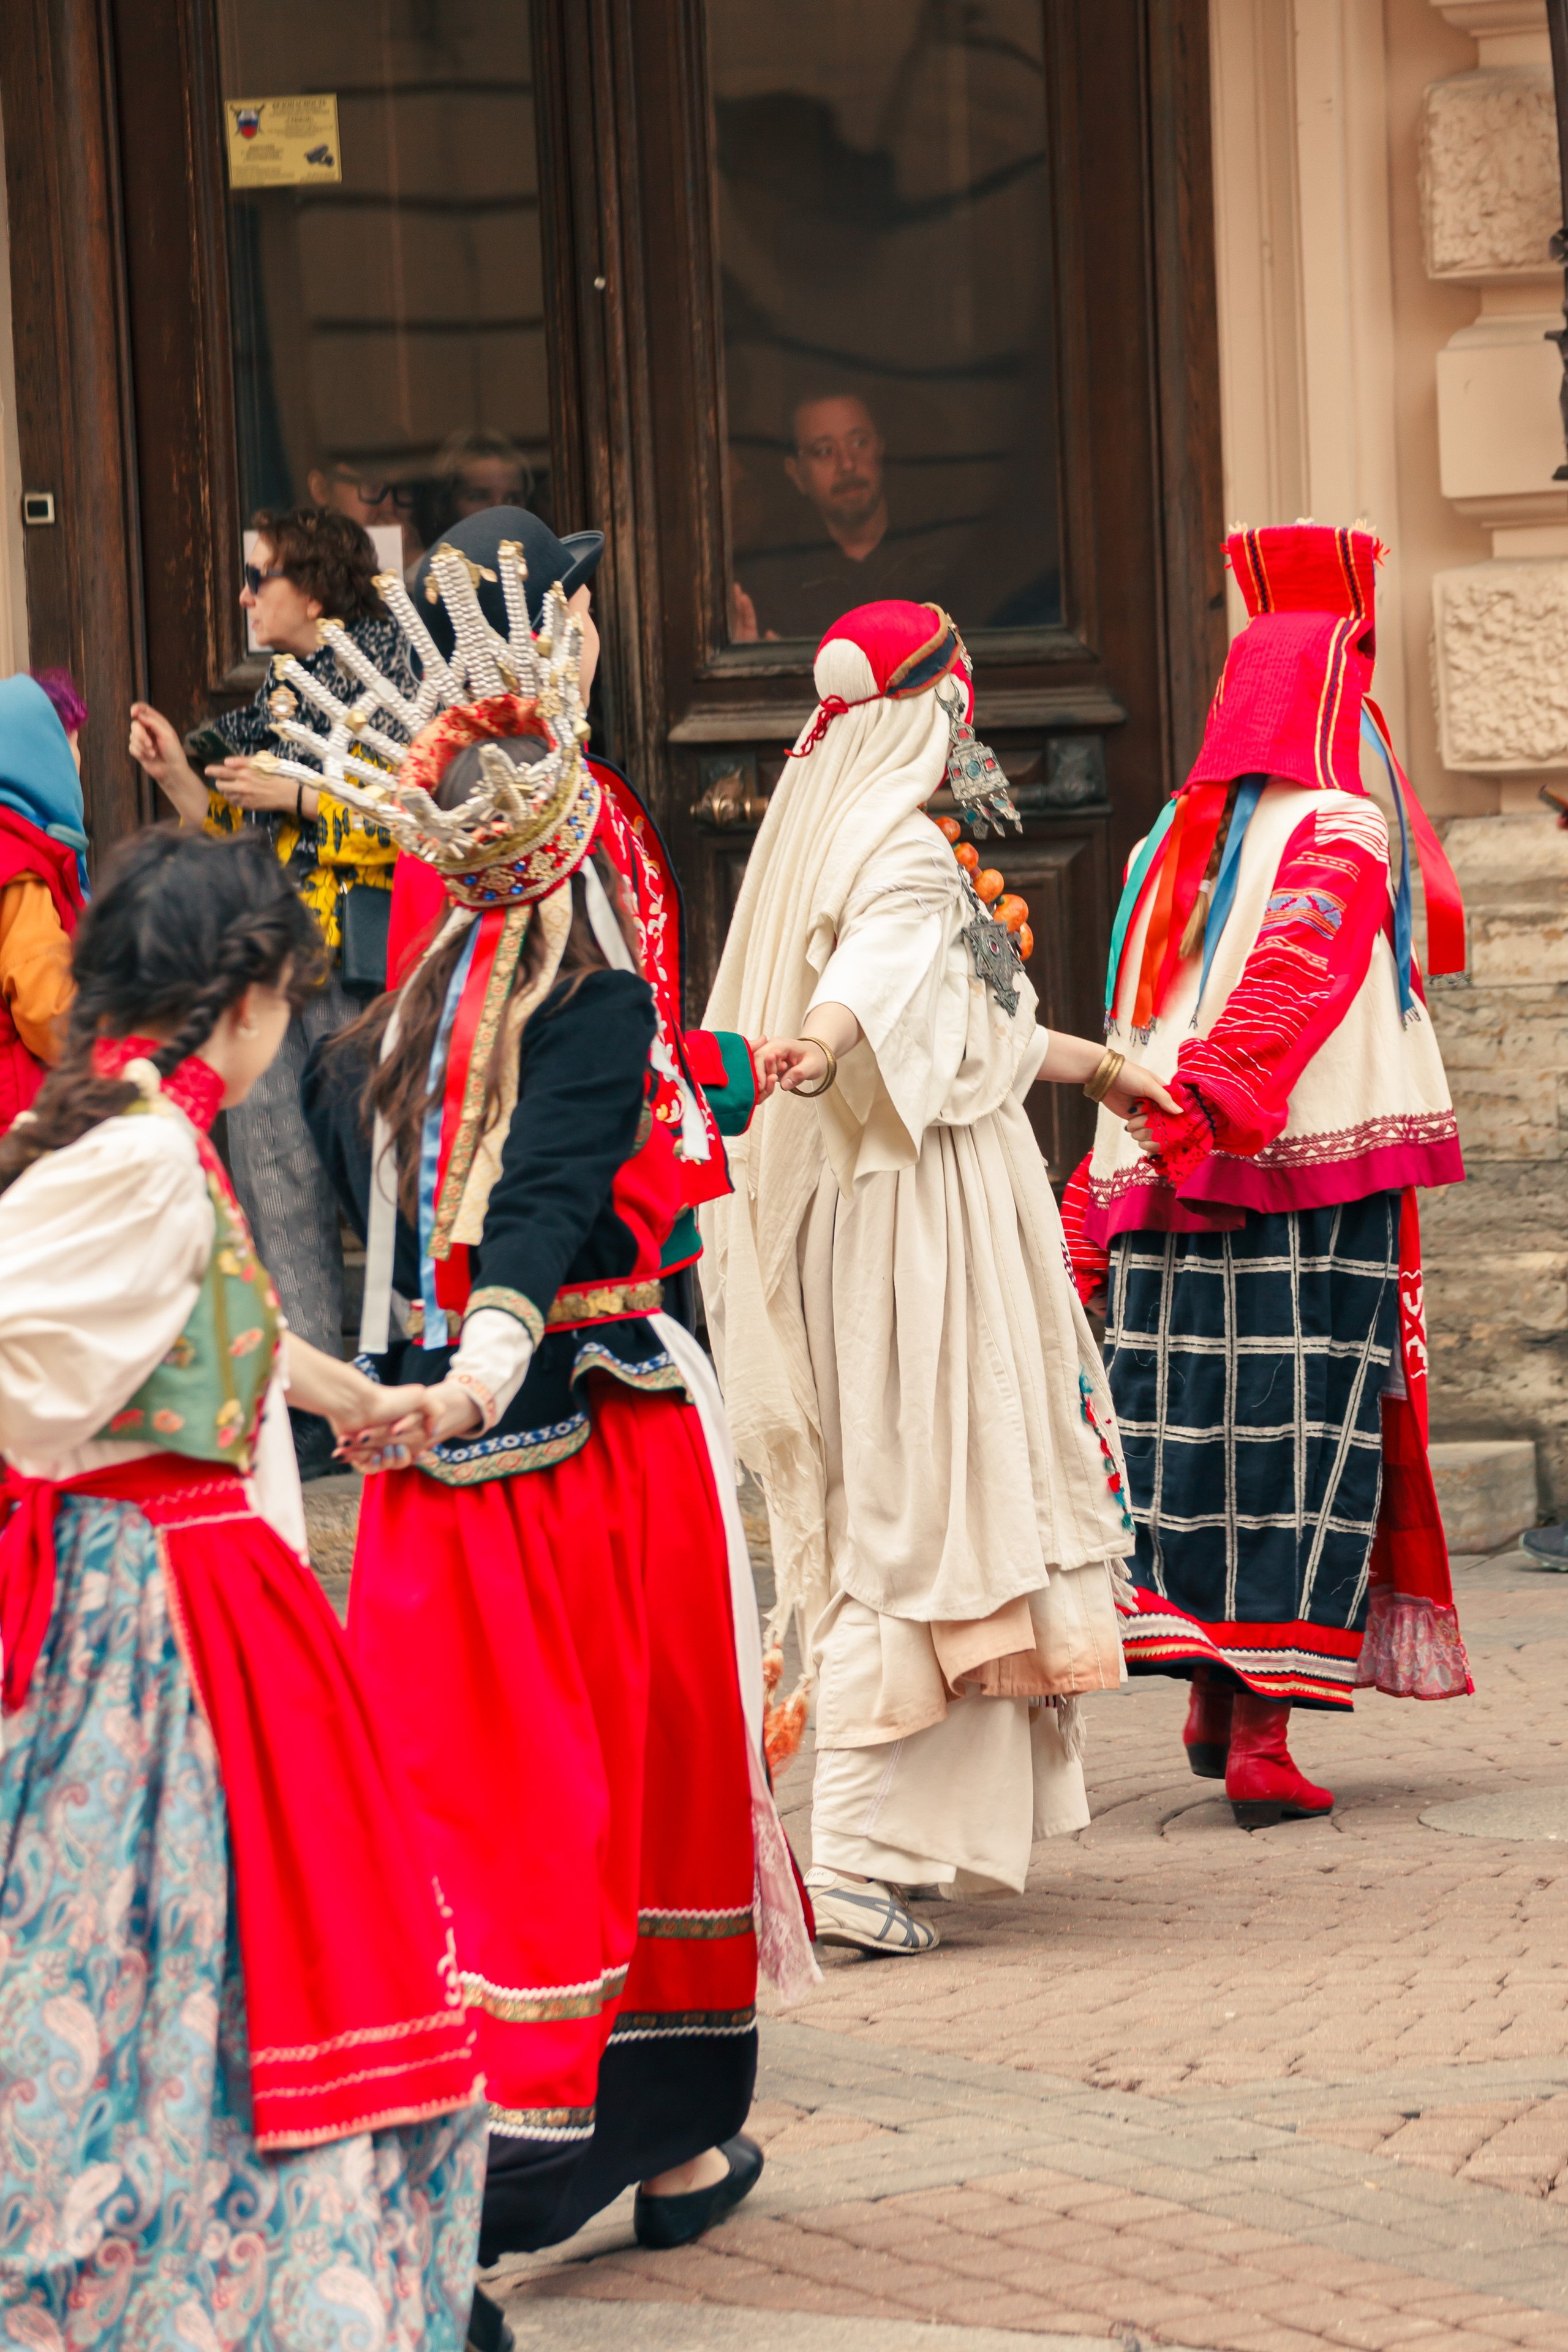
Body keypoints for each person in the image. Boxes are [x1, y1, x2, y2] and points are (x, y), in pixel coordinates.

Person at [280, 537, 814, 2288]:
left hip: (503, 1443)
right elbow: (556, 1189)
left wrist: (436, 1382)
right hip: (559, 1444)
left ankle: (598, 2135)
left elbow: (523, 1193)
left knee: (518, 1791)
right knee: (546, 1795)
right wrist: (467, 1374)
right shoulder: (569, 995)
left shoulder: (441, 998)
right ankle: (527, 2148)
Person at [0, 826, 484, 2345]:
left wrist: (355, 1393)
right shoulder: (143, 1153)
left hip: (177, 1598)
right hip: (162, 1612)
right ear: (255, 990)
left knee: (168, 1967)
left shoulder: (141, 1132)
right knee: (186, 1968)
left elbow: (202, 1324)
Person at [700, 598, 1169, 1953]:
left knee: (923, 1502)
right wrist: (822, 1037)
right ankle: (850, 1852)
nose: (971, 729)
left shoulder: (852, 835)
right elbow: (884, 973)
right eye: (958, 704)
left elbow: (968, 1027)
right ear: (931, 712)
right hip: (920, 1225)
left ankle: (888, 1846)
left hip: (919, 1203)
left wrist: (1104, 1070)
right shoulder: (899, 851)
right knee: (918, 1508)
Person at [1061, 522, 1473, 1828]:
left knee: (1190, 1433)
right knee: (1299, 1436)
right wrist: (1218, 1101)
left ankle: (1205, 1695)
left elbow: (1144, 1007)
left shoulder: (1163, 846)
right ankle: (1259, 1733)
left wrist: (1143, 1145)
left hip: (1162, 1177)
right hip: (1299, 1175)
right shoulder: (1341, 830)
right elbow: (1290, 984)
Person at [382, 507, 766, 1334]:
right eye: (586, 619)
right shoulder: (507, 823)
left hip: (600, 1171)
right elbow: (510, 1037)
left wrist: (719, 1068)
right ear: (543, 642)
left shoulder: (536, 797)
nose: (595, 640)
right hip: (573, 1208)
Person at [129, 507, 413, 1475]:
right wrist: (181, 780)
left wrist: (295, 795)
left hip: (368, 966)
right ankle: (314, 1396)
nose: (246, 596)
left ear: (316, 585)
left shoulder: (394, 673)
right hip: (281, 960)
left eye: (261, 577)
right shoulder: (280, 693)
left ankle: (404, 1366)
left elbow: (418, 823)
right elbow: (240, 836)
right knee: (274, 1168)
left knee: (380, 1172)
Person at [731, 393, 925, 643]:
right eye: (824, 451)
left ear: (880, 450)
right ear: (797, 474)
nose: (846, 464)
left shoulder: (939, 555)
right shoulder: (771, 587)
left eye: (859, 443)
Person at [0, 673, 88, 1127]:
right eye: (70, 744)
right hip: (18, 1115)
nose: (77, 761)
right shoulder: (21, 864)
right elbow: (47, 1009)